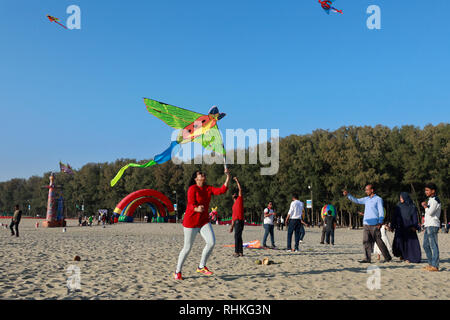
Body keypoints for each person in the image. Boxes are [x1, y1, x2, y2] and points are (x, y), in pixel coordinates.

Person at [174, 169, 230, 280]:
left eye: (203, 174)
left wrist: (228, 177)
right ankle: (177, 272)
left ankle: (201, 266)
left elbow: (221, 190)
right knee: (187, 248)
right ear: (196, 178)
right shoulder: (192, 189)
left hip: (204, 221)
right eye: (200, 174)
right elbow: (190, 204)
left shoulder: (208, 188)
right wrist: (196, 208)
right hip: (191, 222)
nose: (203, 175)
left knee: (211, 242)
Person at [343, 184, 392, 263]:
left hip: (375, 225)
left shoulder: (378, 199)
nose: (366, 191)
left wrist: (380, 222)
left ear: (372, 190)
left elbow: (381, 211)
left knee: (379, 242)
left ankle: (387, 257)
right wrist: (348, 195)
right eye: (365, 190)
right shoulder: (366, 199)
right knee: (366, 241)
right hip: (366, 224)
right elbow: (357, 200)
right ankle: (367, 259)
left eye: (367, 190)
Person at [391, 192, 421, 263]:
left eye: (401, 197)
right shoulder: (398, 206)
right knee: (399, 242)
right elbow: (394, 217)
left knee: (409, 244)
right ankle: (402, 255)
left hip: (409, 227)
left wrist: (414, 226)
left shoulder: (412, 207)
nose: (400, 199)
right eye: (400, 197)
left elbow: (414, 217)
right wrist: (392, 226)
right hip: (400, 227)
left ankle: (408, 257)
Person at [421, 183, 441, 272]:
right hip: (428, 224)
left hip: (433, 225)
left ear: (433, 191)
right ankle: (430, 264)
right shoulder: (430, 200)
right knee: (425, 245)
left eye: (427, 190)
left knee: (433, 246)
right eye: (425, 190)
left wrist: (425, 206)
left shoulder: (435, 200)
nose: (426, 192)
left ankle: (435, 265)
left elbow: (430, 212)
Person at [229, 177, 244, 257]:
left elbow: (240, 189)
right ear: (232, 196)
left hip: (240, 221)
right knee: (239, 237)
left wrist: (237, 181)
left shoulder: (240, 199)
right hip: (236, 221)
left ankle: (236, 252)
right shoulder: (233, 206)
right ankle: (241, 252)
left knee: (237, 236)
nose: (235, 194)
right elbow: (233, 217)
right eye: (234, 194)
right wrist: (231, 226)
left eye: (236, 194)